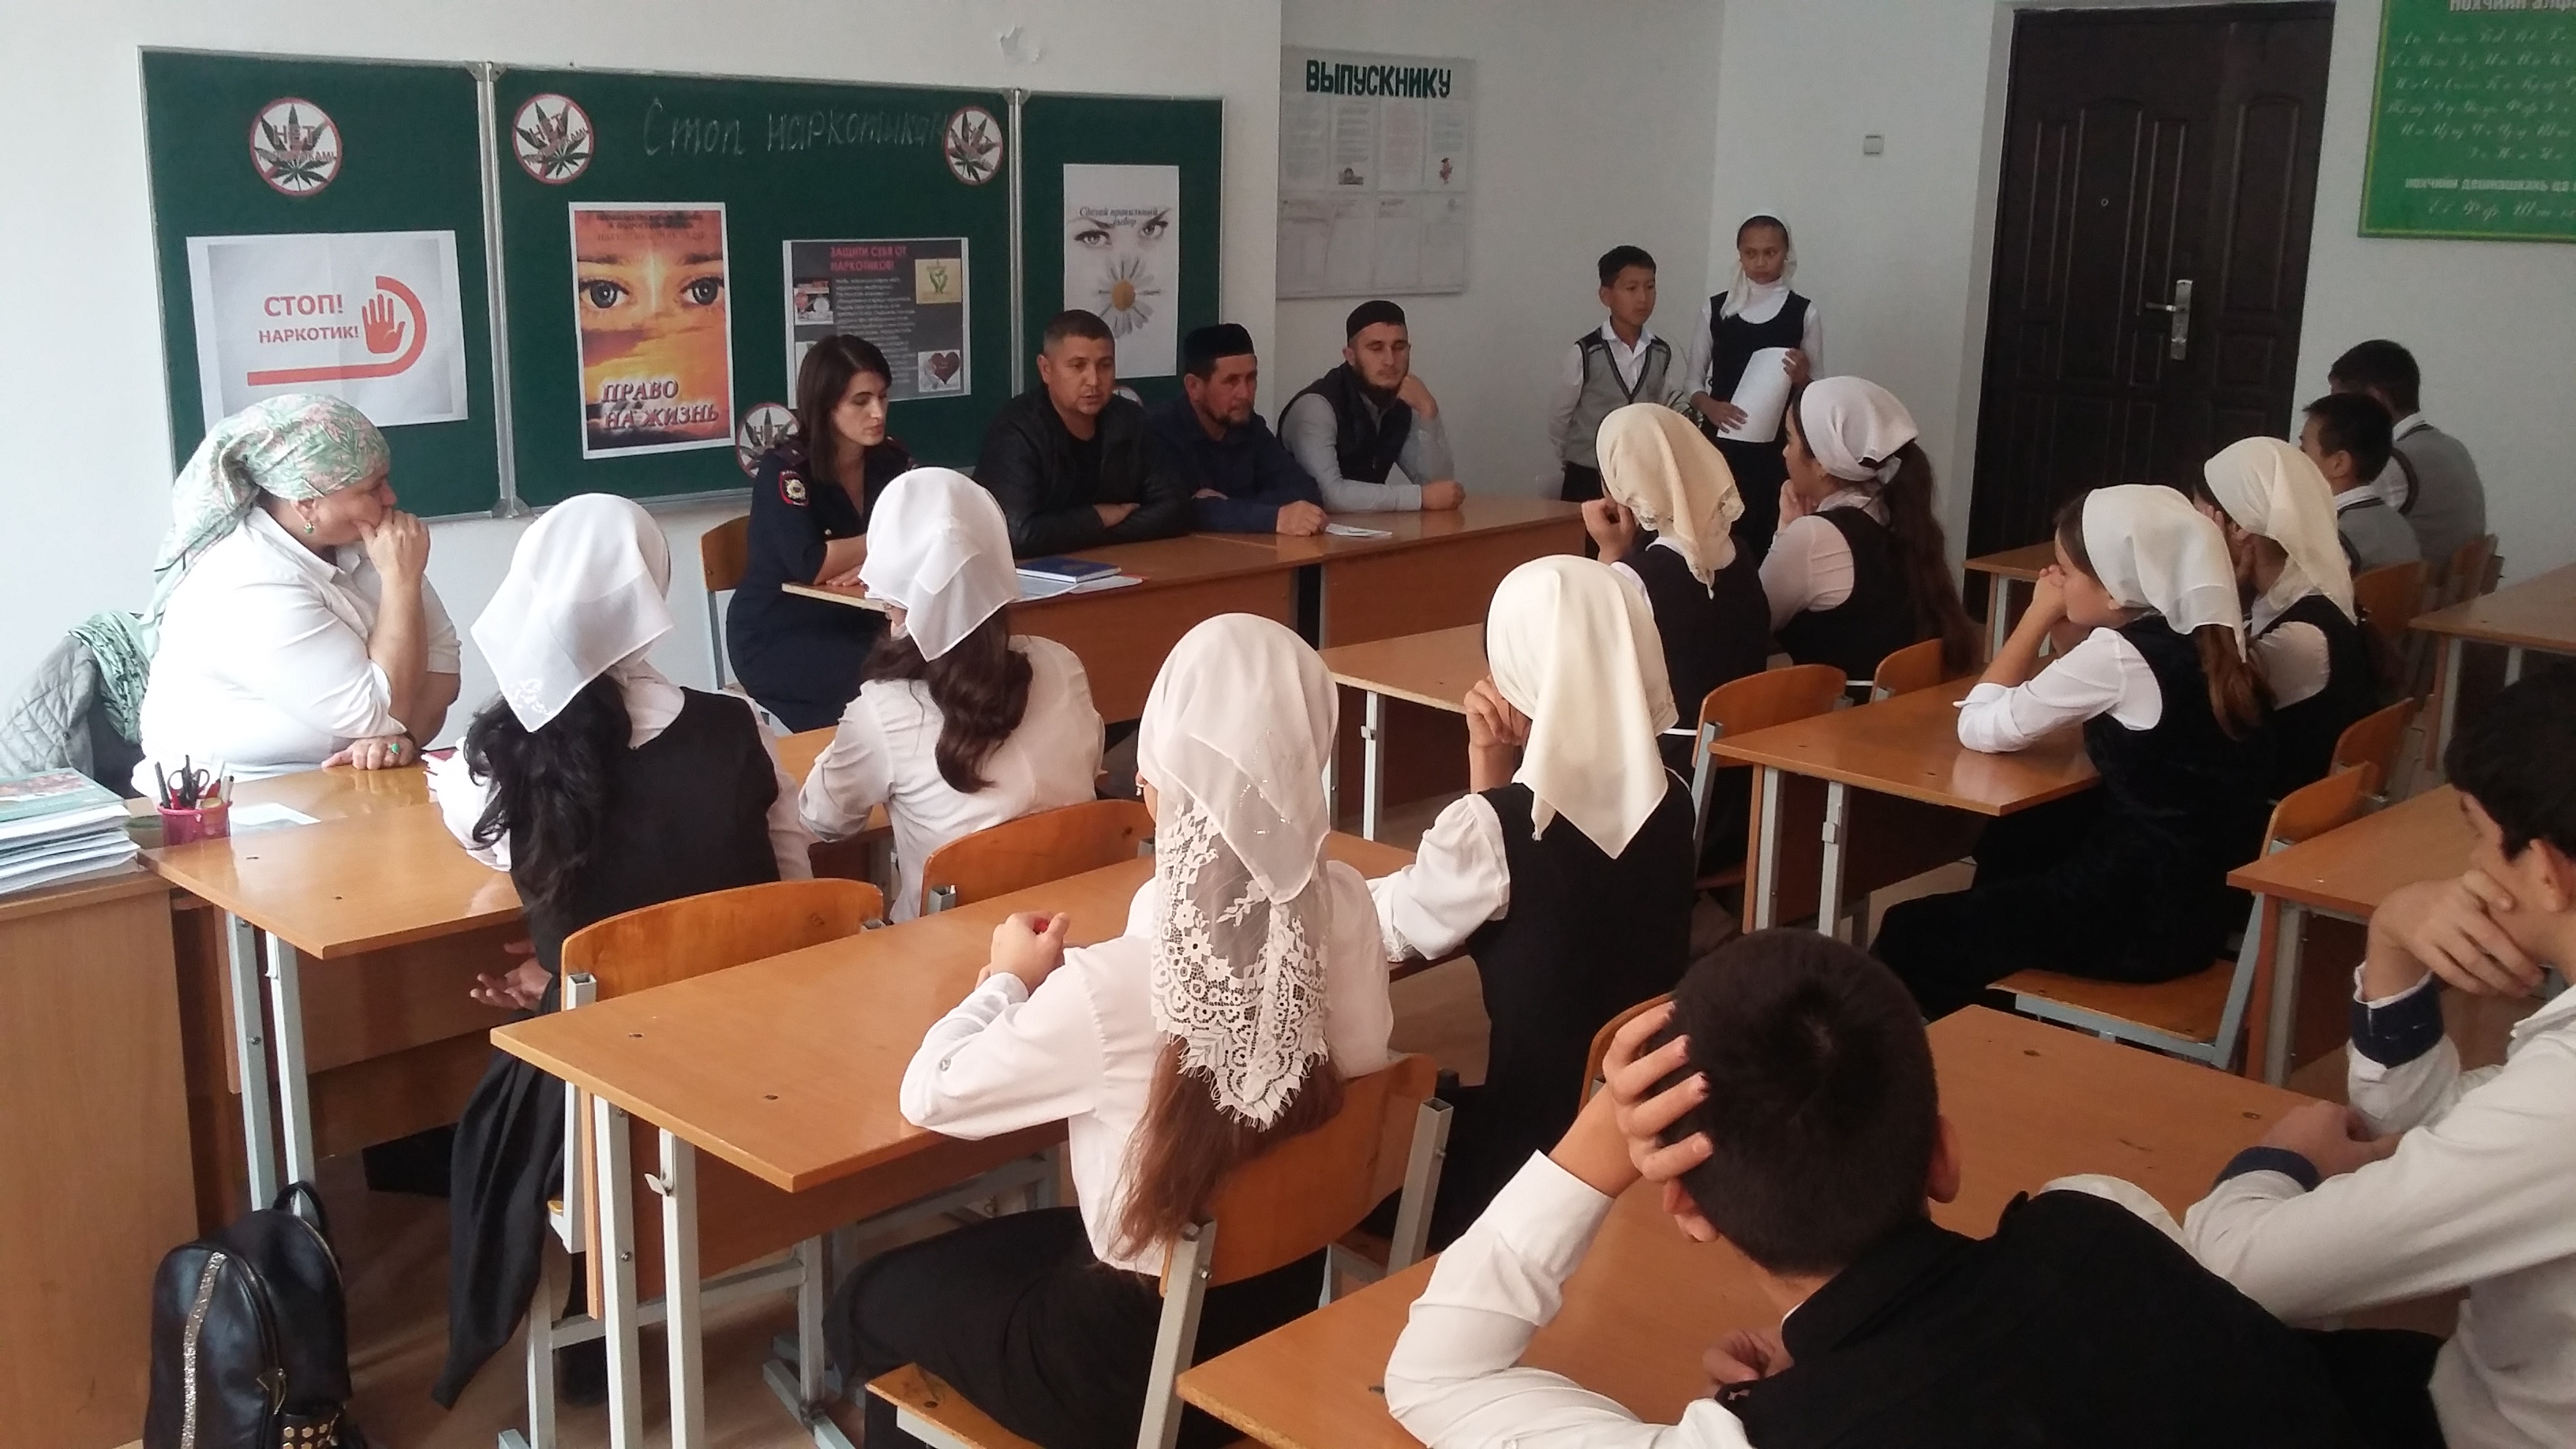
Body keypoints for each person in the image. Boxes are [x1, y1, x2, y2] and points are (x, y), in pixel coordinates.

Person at [1383, 931, 2363, 1447]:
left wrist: (1598, 1141)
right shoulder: (2099, 1223)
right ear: (1944, 1156)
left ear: (1686, 1206)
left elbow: (1436, 1379)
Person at [828, 613, 1393, 1449]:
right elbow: (1361, 1057)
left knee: (865, 1301)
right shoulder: (1347, 910)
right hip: (1273, 1332)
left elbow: (933, 1093)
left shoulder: (1113, 983)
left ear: (1160, 775)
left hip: (1122, 1375)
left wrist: (1008, 979)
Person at [423, 493, 814, 1406]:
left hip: (598, 1084)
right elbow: (793, 899)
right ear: (652, 590)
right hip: (755, 1056)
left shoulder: (498, 761)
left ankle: (592, 1302)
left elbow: (490, 844)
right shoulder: (739, 727)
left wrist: (564, 965)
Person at [2181, 667, 2576, 1449]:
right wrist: (2393, 937)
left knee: (2154, 1343)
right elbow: (2429, 1133)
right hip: (2485, 1386)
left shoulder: (2560, 1104)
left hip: (2484, 1428)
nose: (2469, 867)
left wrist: (2277, 1162)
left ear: (2543, 870)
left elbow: (2237, 1272)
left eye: (2475, 832)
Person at [1368, 556, 1696, 1245]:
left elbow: (1389, 929)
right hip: (1627, 1136)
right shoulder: (1672, 796)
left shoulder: (1492, 833)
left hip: (1519, 1168)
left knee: (1353, 1148)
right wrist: (1491, 762)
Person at [1872, 485, 2274, 1020]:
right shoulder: (2208, 632)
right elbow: (2104, 690)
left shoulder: (2119, 655)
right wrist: (2071, 637)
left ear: (2115, 593)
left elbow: (1980, 726)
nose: (2054, 582)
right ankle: (1996, 1013)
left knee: (1910, 930)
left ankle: (1961, 1041)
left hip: (2135, 917)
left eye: (2065, 571)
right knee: (2016, 843)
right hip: (2199, 904)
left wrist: (2036, 617)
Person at [799, 469, 1105, 919]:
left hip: (949, 949)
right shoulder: (1061, 664)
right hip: (1076, 923)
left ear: (889, 595)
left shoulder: (883, 710)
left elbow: (824, 820)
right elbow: (1091, 765)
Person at [137, 393, 461, 787]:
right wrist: (401, 583)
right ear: (306, 503)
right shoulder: (248, 583)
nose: (391, 498)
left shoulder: (371, 545)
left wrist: (399, 740)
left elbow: (444, 672)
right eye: (372, 489)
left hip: (347, 786)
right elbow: (379, 712)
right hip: (234, 799)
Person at [727, 335, 919, 732]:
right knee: (892, 677)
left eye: (883, 397)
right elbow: (812, 563)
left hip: (860, 621)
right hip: (779, 633)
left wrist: (874, 557)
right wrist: (881, 543)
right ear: (826, 405)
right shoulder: (786, 470)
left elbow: (927, 532)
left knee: (943, 660)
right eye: (861, 401)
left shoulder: (891, 460)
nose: (878, 412)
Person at [1583, 402, 1771, 786]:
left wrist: (1609, 553)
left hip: (1669, 781)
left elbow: (1588, 668)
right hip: (1743, 780)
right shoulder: (1741, 555)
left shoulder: (1635, 579)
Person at [1762, 378, 1979, 688]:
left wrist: (1785, 532)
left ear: (1822, 462)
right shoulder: (1896, 510)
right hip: (1903, 706)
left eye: (1789, 440)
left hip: (1840, 714)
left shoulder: (1813, 536)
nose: (1784, 453)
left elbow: (1751, 621)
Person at [2196, 436, 2378, 797]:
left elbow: (2203, 709)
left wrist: (2209, 586)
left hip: (2266, 809)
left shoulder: (2302, 637)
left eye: (2197, 523)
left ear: (2238, 528)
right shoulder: (2298, 592)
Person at [975, 309, 1192, 557]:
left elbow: (1176, 509)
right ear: (1046, 370)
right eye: (1078, 366)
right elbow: (1019, 535)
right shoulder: (1017, 429)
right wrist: (1098, 517)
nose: (1094, 381)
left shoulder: (1131, 420)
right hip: (1026, 575)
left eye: (1105, 366)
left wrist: (1094, 531)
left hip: (1115, 565)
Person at [1682, 215, 1822, 558]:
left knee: (1767, 533)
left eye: (1770, 253)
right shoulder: (1716, 309)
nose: (1760, 262)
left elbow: (1817, 392)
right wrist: (1710, 406)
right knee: (1717, 534)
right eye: (1751, 253)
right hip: (1720, 446)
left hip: (1777, 451)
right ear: (1740, 254)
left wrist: (1802, 378)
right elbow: (1692, 382)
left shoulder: (1804, 313)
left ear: (1786, 254)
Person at [1281, 300, 1466, 514]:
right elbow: (1328, 495)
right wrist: (1419, 497)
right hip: (1302, 531)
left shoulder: (1404, 398)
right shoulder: (1316, 407)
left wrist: (1428, 412)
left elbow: (1441, 490)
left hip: (1368, 528)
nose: (1390, 361)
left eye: (1399, 347)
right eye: (1376, 348)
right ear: (1350, 356)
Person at [1147, 323, 1327, 537]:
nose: (1245, 393)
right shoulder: (1159, 431)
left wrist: (1229, 506)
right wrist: (1272, 518)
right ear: (1194, 387)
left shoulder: (1250, 426)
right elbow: (1178, 511)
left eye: (1251, 379)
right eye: (1231, 381)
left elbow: (1306, 491)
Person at [2329, 339, 2488, 566]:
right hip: (2447, 584)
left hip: (2412, 585)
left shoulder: (2393, 463)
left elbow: (2336, 528)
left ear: (2374, 399)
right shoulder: (2453, 447)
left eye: (2341, 405)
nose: (2334, 418)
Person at [1546, 245, 1682, 504]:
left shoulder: (1660, 352)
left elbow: (1662, 408)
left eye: (1650, 287)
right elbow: (1560, 417)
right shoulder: (1586, 352)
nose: (1643, 298)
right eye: (1631, 289)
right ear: (1606, 295)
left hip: (1639, 476)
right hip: (1588, 474)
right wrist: (1576, 456)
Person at [2303, 392, 2421, 576]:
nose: (2295, 457)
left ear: (2339, 464)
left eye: (2303, 449)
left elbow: (2290, 595)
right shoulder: (2400, 525)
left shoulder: (2336, 540)